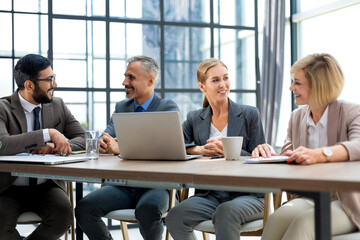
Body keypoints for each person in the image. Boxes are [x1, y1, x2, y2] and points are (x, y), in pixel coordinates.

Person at [252, 53, 360, 239]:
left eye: (297, 83)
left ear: (318, 85)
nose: (291, 87)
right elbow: (288, 154)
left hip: (348, 201)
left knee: (303, 224)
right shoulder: (297, 117)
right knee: (276, 219)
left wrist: (321, 154)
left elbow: (358, 146)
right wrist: (268, 152)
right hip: (311, 196)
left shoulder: (351, 112)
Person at [75, 55, 179, 240]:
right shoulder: (122, 106)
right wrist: (103, 141)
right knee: (84, 208)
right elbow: (107, 136)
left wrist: (119, 147)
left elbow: (164, 148)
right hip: (123, 186)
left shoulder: (167, 107)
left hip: (156, 186)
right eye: (125, 76)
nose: (124, 82)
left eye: (131, 77)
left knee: (148, 211)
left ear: (150, 81)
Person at [165, 58, 266, 240]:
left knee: (225, 212)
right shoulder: (195, 118)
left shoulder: (250, 114)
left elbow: (259, 157)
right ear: (202, 86)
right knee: (175, 217)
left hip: (249, 195)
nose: (223, 85)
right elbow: (176, 146)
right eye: (215, 80)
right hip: (210, 195)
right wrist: (201, 150)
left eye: (225, 78)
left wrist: (229, 151)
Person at [0, 54, 86, 240]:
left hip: (47, 186)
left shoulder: (58, 105)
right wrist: (47, 134)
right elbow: (2, 144)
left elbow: (83, 138)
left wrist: (57, 146)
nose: (55, 84)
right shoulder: (2, 108)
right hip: (9, 187)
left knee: (63, 216)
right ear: (29, 85)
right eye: (49, 79)